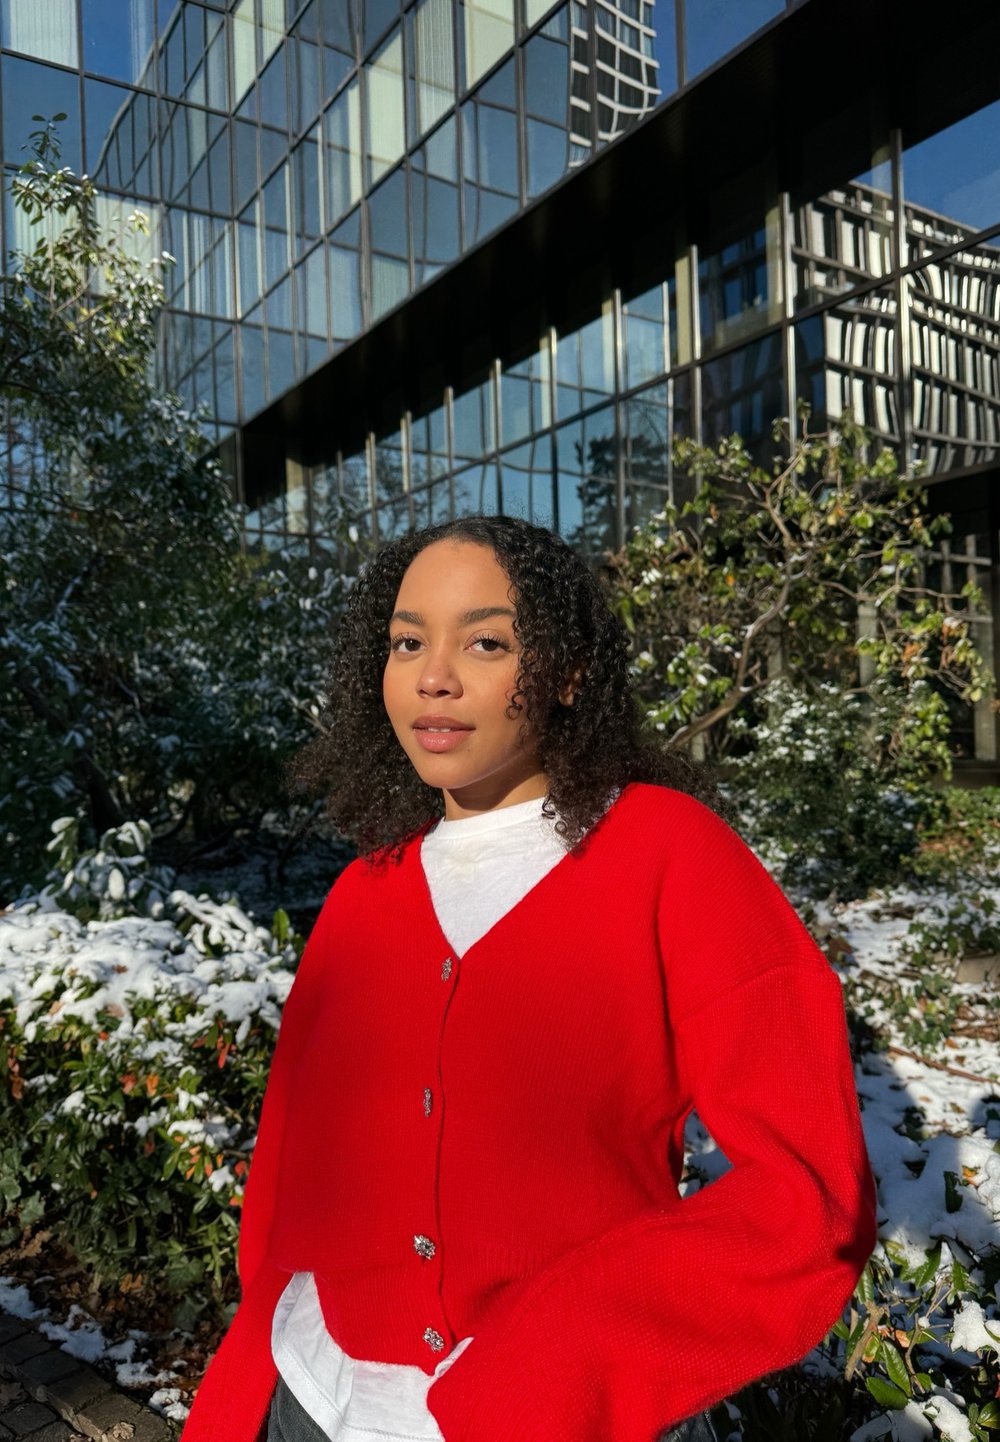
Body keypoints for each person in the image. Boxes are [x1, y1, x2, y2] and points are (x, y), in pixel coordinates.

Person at [181, 515, 878, 1442]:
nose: (434, 675)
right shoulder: (364, 890)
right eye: (406, 641)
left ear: (568, 672)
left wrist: (558, 1350)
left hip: (567, 1414)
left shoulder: (669, 856)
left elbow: (808, 1193)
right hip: (312, 1395)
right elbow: (289, 1173)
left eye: (486, 640)